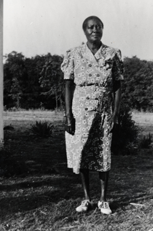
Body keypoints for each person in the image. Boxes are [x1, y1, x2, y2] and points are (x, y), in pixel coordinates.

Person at [61, 16, 123, 215]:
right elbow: (68, 85)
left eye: (98, 26)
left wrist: (114, 114)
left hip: (104, 111)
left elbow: (117, 86)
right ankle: (86, 198)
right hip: (80, 111)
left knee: (103, 152)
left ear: (103, 29)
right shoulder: (74, 54)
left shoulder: (112, 54)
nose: (94, 29)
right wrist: (68, 115)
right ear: (84, 30)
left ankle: (103, 200)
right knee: (82, 153)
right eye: (90, 27)